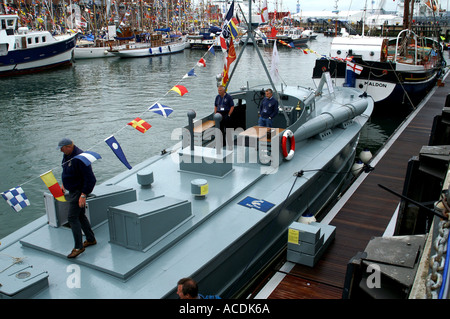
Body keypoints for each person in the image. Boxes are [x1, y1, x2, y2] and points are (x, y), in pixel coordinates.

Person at [58, 138, 97, 258]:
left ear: (69, 146)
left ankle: (78, 247)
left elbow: (91, 179)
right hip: (72, 190)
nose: (60, 151)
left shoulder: (80, 159)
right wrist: (64, 184)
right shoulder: (67, 155)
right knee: (80, 215)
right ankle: (90, 239)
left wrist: (83, 195)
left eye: (62, 148)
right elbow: (67, 170)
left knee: (72, 217)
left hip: (78, 192)